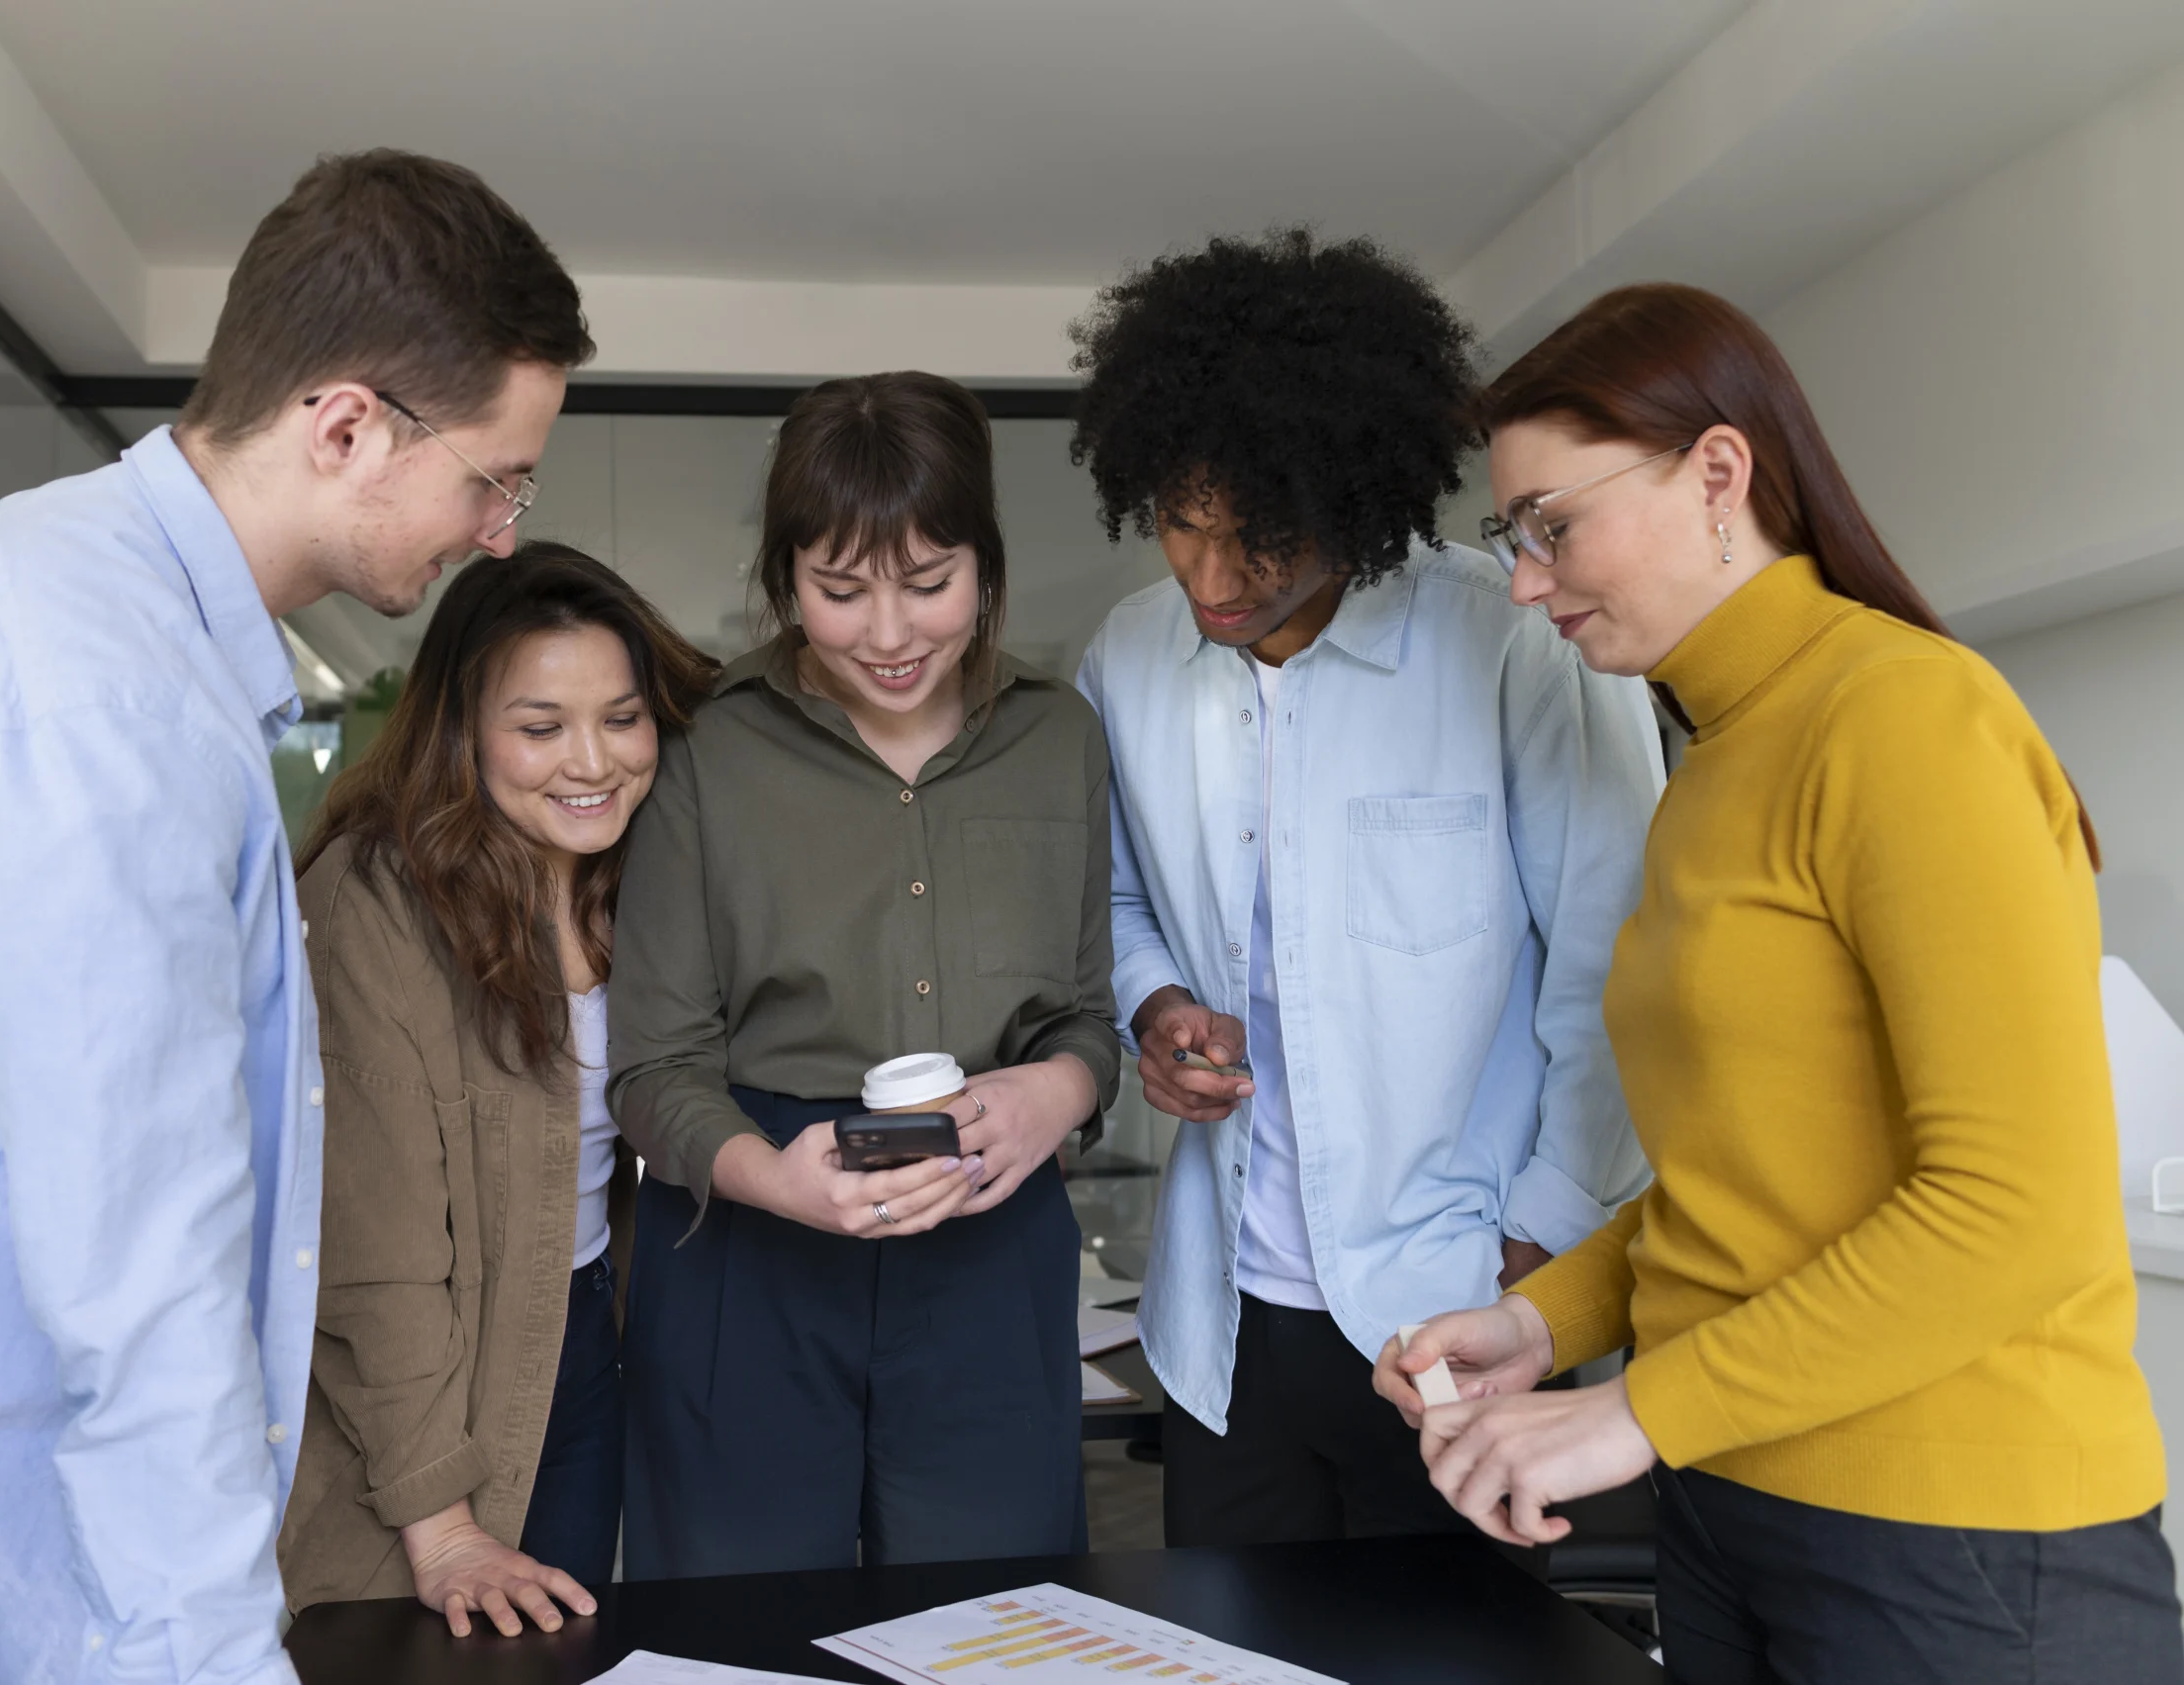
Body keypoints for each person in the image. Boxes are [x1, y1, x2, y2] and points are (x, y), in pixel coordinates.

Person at [0, 149, 590, 1684]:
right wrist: (218, 1654)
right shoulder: (95, 690)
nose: (499, 531)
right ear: (349, 423)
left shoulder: (53, 606)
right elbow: (140, 1258)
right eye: (494, 476)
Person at [1377, 283, 2182, 1683]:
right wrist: (1540, 1320)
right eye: (1513, 537)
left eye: (1551, 526)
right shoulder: (1717, 758)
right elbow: (1743, 1178)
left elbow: (2017, 1212)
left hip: (1953, 1536)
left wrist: (1633, 1409)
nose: (1523, 578)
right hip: (1737, 1500)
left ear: (1719, 473)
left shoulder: (1909, 716)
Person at [1068, 229, 1662, 1546]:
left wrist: (1548, 1233)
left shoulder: (1513, 638)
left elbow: (1615, 951)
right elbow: (1104, 898)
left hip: (1461, 1295)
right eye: (1180, 522)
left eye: (1261, 537)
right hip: (1222, 1315)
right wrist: (1155, 999)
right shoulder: (1128, 657)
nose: (1212, 579)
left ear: (1355, 495)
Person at [607, 371, 1121, 1578]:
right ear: (785, 579)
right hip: (754, 1236)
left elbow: (1088, 1017)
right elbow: (651, 1065)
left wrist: (1055, 1094)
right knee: (741, 1630)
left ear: (985, 568)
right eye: (839, 592)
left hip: (991, 1234)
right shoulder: (705, 749)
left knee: (998, 1627)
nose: (889, 637)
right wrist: (775, 1183)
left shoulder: (1061, 737)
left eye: (929, 585)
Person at [278, 545, 713, 1634]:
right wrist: (441, 1521)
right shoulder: (373, 897)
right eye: (539, 726)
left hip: (578, 1334)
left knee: (548, 1647)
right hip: (416, 1364)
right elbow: (373, 1257)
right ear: (462, 733)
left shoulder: (639, 875)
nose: (591, 760)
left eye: (621, 717)